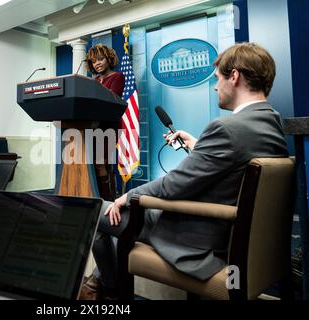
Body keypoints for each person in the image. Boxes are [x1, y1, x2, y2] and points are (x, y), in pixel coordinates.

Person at [79, 42, 289, 300]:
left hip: (193, 235)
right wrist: (198, 145)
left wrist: (128, 197)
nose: (215, 86)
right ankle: (102, 284)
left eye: (217, 79)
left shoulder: (226, 129)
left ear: (234, 76)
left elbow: (173, 185)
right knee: (111, 214)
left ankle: (109, 291)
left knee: (94, 210)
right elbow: (234, 165)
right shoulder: (271, 123)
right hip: (227, 230)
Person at [85, 44, 125, 201]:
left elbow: (111, 99)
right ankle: (98, 197)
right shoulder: (94, 81)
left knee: (102, 163)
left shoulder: (118, 76)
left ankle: (108, 201)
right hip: (92, 127)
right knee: (96, 164)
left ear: (109, 59)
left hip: (109, 127)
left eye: (101, 59)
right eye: (94, 61)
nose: (97, 63)